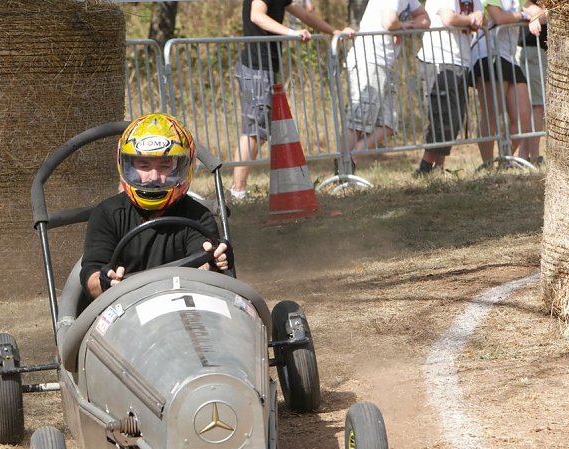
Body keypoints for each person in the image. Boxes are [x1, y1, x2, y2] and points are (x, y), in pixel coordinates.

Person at [81, 113, 229, 300]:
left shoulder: (197, 216)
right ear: (126, 165)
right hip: (123, 312)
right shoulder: (107, 214)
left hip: (182, 310)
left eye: (165, 166)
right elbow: (91, 277)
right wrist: (105, 281)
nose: (153, 177)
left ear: (184, 166)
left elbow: (202, 266)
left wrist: (214, 261)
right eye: (144, 165)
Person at [230, 0, 354, 201]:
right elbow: (257, 15)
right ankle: (237, 191)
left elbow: (304, 15)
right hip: (255, 70)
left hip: (263, 69)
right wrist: (290, 32)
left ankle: (238, 190)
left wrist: (335, 31)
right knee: (254, 131)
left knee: (257, 130)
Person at [344, 0, 430, 172]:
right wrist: (405, 24)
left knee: (388, 124)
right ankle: (344, 169)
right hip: (369, 60)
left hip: (384, 65)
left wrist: (407, 25)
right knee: (358, 122)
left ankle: (350, 158)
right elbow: (389, 22)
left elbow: (425, 18)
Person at [413, 0, 484, 177]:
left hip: (462, 61)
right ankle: (426, 167)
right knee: (443, 116)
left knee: (456, 117)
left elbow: (480, 19)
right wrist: (470, 19)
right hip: (438, 59)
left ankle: (437, 168)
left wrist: (473, 19)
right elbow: (448, 18)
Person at [469, 0, 543, 167]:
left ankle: (506, 160)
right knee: (492, 114)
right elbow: (498, 17)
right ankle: (487, 164)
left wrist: (534, 17)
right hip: (489, 54)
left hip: (509, 58)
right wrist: (524, 15)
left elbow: (540, 12)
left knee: (523, 116)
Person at [516, 1, 547, 166]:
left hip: (535, 51)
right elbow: (530, 8)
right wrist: (540, 13)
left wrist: (539, 14)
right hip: (532, 50)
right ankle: (534, 156)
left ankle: (523, 155)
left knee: (533, 106)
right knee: (537, 105)